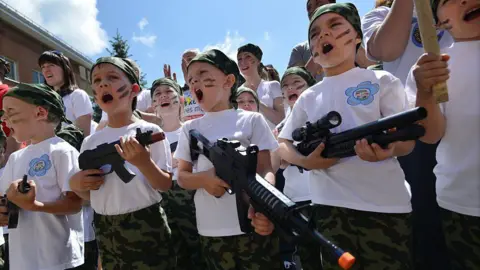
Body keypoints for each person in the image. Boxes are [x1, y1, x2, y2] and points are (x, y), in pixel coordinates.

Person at [277, 3, 415, 269]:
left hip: (386, 205)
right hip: (329, 207)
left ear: (357, 36)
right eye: (314, 33)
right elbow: (283, 143)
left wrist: (390, 149)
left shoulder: (381, 82)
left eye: (335, 25)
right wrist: (307, 162)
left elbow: (407, 140)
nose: (322, 36)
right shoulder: (309, 96)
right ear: (313, 53)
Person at [361, 1, 454, 268]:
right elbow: (385, 50)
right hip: (414, 131)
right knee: (425, 220)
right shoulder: (378, 15)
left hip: (464, 120)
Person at [174, 49, 277, 270]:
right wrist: (205, 180)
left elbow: (267, 169)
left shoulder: (252, 120)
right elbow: (181, 177)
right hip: (211, 230)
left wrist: (264, 207)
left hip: (252, 225)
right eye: (191, 79)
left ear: (229, 80)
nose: (195, 82)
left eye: (203, 74)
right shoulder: (190, 129)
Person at [69, 57, 174, 270]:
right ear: (95, 96)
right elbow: (91, 195)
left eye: (112, 77)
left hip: (146, 223)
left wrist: (143, 162)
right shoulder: (90, 142)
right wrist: (77, 185)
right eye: (96, 80)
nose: (102, 84)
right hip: (105, 227)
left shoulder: (151, 132)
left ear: (134, 89)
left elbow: (165, 184)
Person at [405, 0, 480, 268]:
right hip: (463, 205)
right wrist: (425, 91)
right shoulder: (434, 67)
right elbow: (431, 135)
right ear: (436, 21)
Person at [0, 83, 84, 270]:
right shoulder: (15, 158)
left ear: (40, 113)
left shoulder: (62, 151)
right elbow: (4, 199)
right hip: (22, 258)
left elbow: (75, 203)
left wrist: (35, 206)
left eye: (11, 112)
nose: (4, 119)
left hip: (57, 258)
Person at [150, 77, 206, 270]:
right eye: (157, 94)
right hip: (162, 198)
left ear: (181, 99)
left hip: (190, 195)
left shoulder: (193, 130)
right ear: (153, 105)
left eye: (169, 92)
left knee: (200, 251)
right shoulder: (148, 137)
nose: (163, 96)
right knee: (174, 254)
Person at [274, 66, 318, 270]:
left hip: (324, 196)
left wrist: (291, 154)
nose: (291, 88)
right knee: (307, 256)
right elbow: (279, 162)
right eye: (285, 86)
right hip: (296, 199)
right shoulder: (280, 127)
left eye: (297, 84)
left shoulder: (321, 115)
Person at [39, 51, 93, 136]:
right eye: (43, 67)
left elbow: (83, 135)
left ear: (65, 69)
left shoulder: (77, 95)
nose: (46, 70)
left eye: (51, 65)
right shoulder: (44, 102)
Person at [96, 58, 153, 131]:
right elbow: (102, 124)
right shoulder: (111, 100)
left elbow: (158, 120)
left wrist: (132, 114)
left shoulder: (147, 94)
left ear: (136, 73)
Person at [237, 43, 285, 128]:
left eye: (247, 57)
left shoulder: (273, 86)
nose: (242, 62)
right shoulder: (237, 92)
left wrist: (257, 101)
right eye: (239, 59)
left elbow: (281, 120)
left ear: (258, 60)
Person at [288, 0, 336, 80]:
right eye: (309, 8)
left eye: (319, 3)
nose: (312, 10)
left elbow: (364, 64)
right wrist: (319, 52)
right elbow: (293, 84)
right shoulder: (299, 50)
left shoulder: (352, 34)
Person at [180, 49, 205, 121]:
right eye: (183, 61)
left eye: (189, 59)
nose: (187, 63)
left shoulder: (211, 80)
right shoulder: (183, 90)